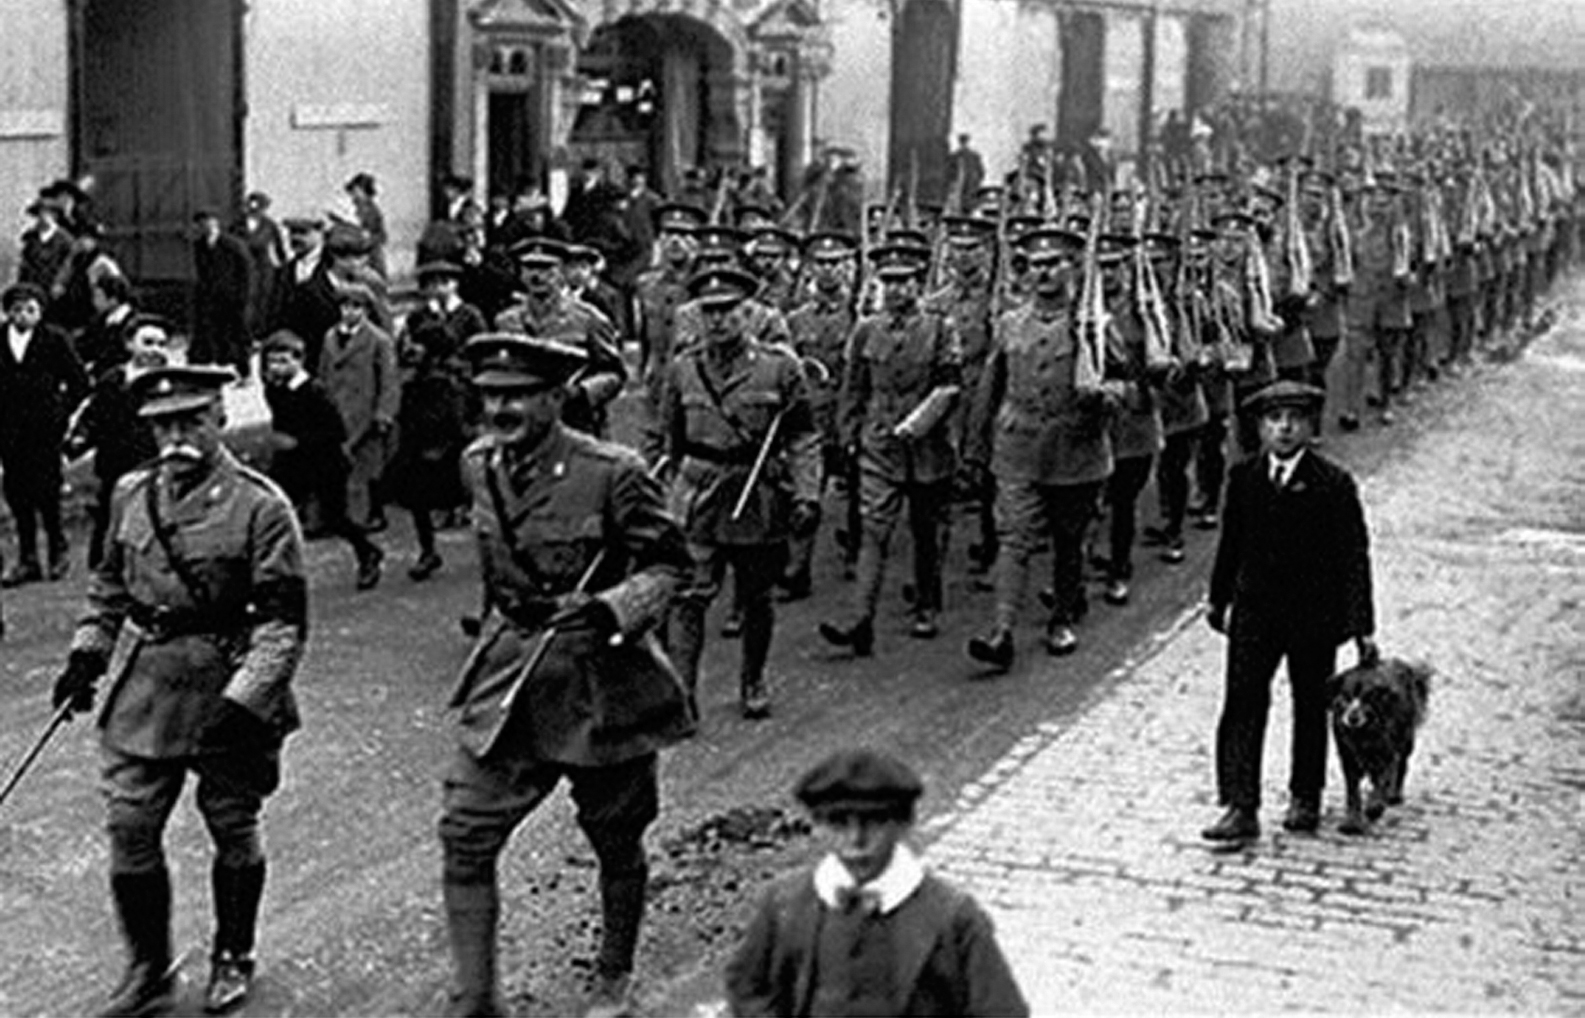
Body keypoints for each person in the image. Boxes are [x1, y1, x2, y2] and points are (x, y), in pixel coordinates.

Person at [438, 333, 693, 1018]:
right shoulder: (476, 465)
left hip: (600, 683)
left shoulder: (613, 471)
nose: (500, 407)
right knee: (464, 832)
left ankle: (613, 973)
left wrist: (615, 605)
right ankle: (475, 1000)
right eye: (491, 394)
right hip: (511, 681)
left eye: (517, 395)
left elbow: (672, 566)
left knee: (614, 834)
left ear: (555, 398)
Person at [49, 363, 308, 1016]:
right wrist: (87, 654)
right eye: (163, 424)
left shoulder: (261, 506)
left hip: (229, 685)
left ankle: (233, 955)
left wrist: (245, 703)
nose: (177, 436)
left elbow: (282, 625)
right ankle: (148, 968)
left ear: (220, 419)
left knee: (232, 825)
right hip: (146, 686)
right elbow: (108, 587)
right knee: (130, 827)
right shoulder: (131, 494)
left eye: (191, 420)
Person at [724, 747, 1029, 1017]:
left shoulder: (954, 919)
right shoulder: (784, 903)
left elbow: (1001, 1010)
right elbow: (747, 985)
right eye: (839, 824)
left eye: (873, 822)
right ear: (817, 826)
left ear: (903, 825)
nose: (856, 841)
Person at [1202, 380, 1378, 842]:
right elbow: (1231, 544)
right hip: (1255, 613)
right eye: (1273, 420)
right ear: (1260, 427)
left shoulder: (1332, 484)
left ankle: (1306, 795)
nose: (1283, 429)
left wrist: (1361, 626)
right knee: (1242, 704)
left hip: (1312, 618)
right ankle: (1240, 805)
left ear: (1309, 427)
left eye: (1294, 420)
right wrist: (1218, 598)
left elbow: (1354, 555)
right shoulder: (1244, 478)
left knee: (1309, 703)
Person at [662, 267, 820, 720]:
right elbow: (671, 438)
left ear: (748, 311)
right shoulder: (683, 367)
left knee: (756, 597)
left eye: (728, 310)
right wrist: (671, 493)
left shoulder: (779, 367)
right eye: (709, 312)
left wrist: (807, 494)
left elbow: (804, 436)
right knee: (689, 597)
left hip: (756, 496)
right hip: (698, 493)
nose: (718, 321)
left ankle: (753, 679)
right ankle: (682, 692)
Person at [962, 228, 1115, 669]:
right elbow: (989, 390)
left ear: (1075, 268)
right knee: (1014, 536)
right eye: (1034, 265)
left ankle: (1062, 617)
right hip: (1018, 446)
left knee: (1069, 540)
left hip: (1077, 450)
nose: (1043, 273)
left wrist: (1104, 396)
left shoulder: (1093, 324)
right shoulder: (1010, 323)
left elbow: (1128, 383)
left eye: (1054, 264)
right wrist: (975, 449)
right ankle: (1001, 632)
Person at [819, 243, 962, 655]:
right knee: (873, 531)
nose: (897, 290)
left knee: (926, 529)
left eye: (904, 282)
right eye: (889, 282)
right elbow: (853, 389)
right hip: (878, 444)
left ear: (919, 283)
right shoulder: (866, 329)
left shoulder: (940, 328)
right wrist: (846, 436)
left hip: (928, 447)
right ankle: (860, 619)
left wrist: (920, 422)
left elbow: (950, 385)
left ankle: (927, 604)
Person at [260, 330, 385, 591]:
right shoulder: (274, 389)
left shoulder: (315, 392)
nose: (276, 367)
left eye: (284, 361)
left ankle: (367, 552)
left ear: (299, 361)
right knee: (272, 509)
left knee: (334, 517)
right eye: (272, 361)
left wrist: (298, 441)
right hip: (291, 463)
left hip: (325, 462)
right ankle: (272, 569)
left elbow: (335, 431)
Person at [0, 281, 90, 586]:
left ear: (40, 312)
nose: (23, 316)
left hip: (44, 429)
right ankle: (27, 558)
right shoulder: (1, 340)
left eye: (30, 309)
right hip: (9, 429)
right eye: (17, 310)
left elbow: (79, 381)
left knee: (47, 490)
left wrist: (60, 412)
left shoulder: (53, 339)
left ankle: (57, 548)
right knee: (17, 492)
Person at [64, 314, 169, 570]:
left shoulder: (170, 383)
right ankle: (105, 569)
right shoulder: (112, 380)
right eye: (148, 342)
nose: (155, 350)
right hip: (116, 463)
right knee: (111, 518)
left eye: (161, 343)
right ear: (130, 344)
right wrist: (77, 443)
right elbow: (94, 416)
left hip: (155, 463)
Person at [384, 319, 469, 580]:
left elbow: (451, 418)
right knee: (417, 501)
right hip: (416, 447)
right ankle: (428, 550)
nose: (412, 348)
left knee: (472, 498)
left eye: (418, 343)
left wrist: (441, 444)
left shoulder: (445, 380)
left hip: (441, 450)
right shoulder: (415, 375)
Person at [316, 283, 400, 533]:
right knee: (339, 465)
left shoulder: (378, 340)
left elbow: (389, 380)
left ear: (366, 310)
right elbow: (323, 372)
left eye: (356, 307)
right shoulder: (330, 337)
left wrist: (384, 413)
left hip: (366, 410)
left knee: (369, 466)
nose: (349, 312)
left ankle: (374, 512)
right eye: (345, 306)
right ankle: (340, 515)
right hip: (337, 411)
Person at [192, 209, 255, 375]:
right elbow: (202, 272)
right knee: (216, 333)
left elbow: (246, 271)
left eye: (207, 221)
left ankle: (244, 371)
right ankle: (221, 366)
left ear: (215, 222)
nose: (204, 226)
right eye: (200, 223)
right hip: (212, 298)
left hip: (233, 298)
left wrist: (243, 296)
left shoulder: (233, 244)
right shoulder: (199, 245)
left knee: (239, 335)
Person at [345, 172, 389, 279]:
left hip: (369, 255)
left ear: (364, 191)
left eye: (355, 191)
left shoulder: (370, 210)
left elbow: (379, 234)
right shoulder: (357, 208)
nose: (353, 196)